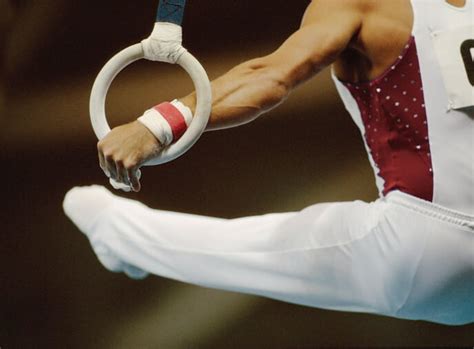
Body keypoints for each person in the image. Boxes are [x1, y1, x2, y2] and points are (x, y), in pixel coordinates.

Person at [63, 0, 474, 325]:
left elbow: (270, 77)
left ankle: (118, 233)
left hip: (425, 242)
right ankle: (122, 238)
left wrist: (159, 125)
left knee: (253, 248)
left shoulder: (367, 5)